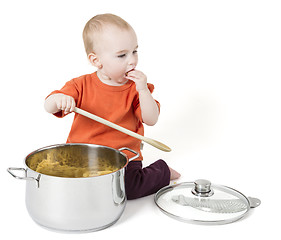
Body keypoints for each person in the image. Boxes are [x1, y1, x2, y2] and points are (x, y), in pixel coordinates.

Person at [44, 13, 180, 199]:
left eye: (135, 51)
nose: (132, 60)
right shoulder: (80, 85)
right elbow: (49, 106)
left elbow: (151, 119)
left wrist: (143, 90)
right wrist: (59, 99)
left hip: (123, 157)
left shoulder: (136, 89)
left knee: (126, 188)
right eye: (122, 55)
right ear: (96, 60)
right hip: (81, 155)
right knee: (65, 181)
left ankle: (161, 172)